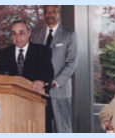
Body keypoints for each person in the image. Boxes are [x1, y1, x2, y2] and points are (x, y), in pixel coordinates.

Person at [30, 5, 78, 133]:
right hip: (39, 90)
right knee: (42, 127)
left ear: (58, 13)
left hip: (59, 89)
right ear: (43, 14)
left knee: (63, 129)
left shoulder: (69, 34)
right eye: (46, 11)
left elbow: (71, 63)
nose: (49, 14)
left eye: (53, 11)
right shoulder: (35, 34)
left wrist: (55, 82)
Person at [0, 20, 54, 93]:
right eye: (14, 34)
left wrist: (42, 82)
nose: (18, 38)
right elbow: (0, 76)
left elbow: (49, 73)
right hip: (11, 98)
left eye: (21, 33)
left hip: (36, 96)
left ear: (29, 33)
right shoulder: (4, 54)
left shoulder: (42, 51)